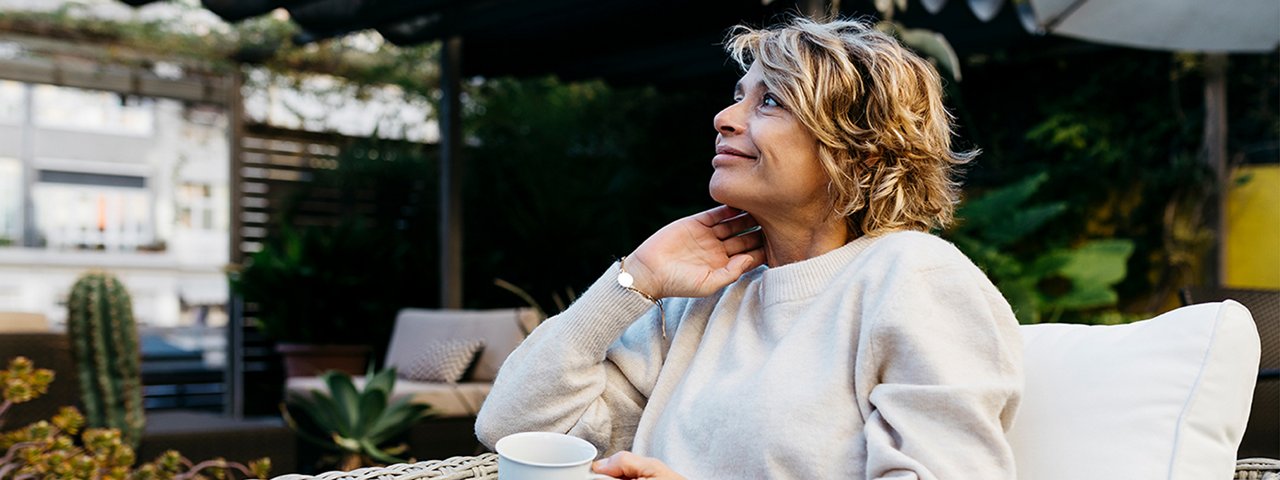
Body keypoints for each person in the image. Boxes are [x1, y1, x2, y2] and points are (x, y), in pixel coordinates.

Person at [475, 16, 1024, 480]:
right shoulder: (702, 299)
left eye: (770, 102)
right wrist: (634, 280)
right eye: (739, 97)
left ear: (860, 153)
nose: (724, 118)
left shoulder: (912, 277)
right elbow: (515, 433)